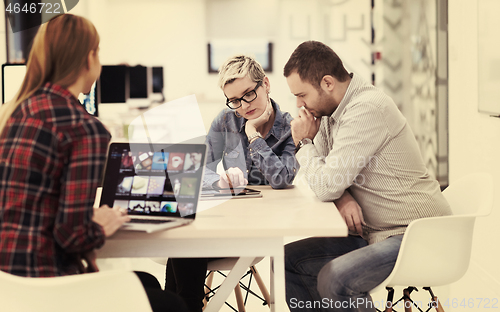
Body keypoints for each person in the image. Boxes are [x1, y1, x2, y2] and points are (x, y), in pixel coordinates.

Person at [0, 14, 186, 312]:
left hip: (9, 288)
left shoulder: (14, 113)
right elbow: (72, 234)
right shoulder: (84, 128)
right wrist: (98, 225)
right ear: (89, 57)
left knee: (145, 283)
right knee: (173, 305)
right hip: (51, 287)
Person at [282, 40, 451, 312]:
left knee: (336, 278)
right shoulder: (329, 113)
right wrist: (343, 196)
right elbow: (327, 176)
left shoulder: (366, 109)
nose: (299, 105)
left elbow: (325, 184)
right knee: (288, 260)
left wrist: (304, 144)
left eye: (302, 95)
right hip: (376, 233)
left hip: (417, 233)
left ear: (327, 83)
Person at [165, 54, 298, 312]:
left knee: (183, 248)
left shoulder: (288, 127)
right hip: (226, 222)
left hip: (263, 228)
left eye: (249, 94)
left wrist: (252, 135)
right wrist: (219, 180)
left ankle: (184, 306)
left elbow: (282, 178)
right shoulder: (226, 119)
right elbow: (198, 168)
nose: (243, 106)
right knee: (184, 242)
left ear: (266, 84)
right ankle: (185, 306)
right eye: (235, 100)